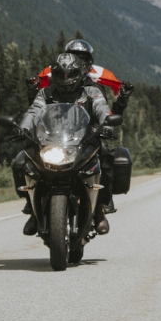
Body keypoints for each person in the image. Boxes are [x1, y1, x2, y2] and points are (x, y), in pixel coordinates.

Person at [16, 50, 113, 237]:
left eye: (71, 74)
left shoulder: (91, 92)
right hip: (50, 142)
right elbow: (34, 111)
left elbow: (102, 108)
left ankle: (100, 209)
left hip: (83, 141)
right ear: (54, 75)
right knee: (22, 161)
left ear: (80, 73)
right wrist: (24, 128)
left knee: (106, 158)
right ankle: (32, 209)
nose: (66, 79)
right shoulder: (45, 93)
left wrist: (106, 124)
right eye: (60, 74)